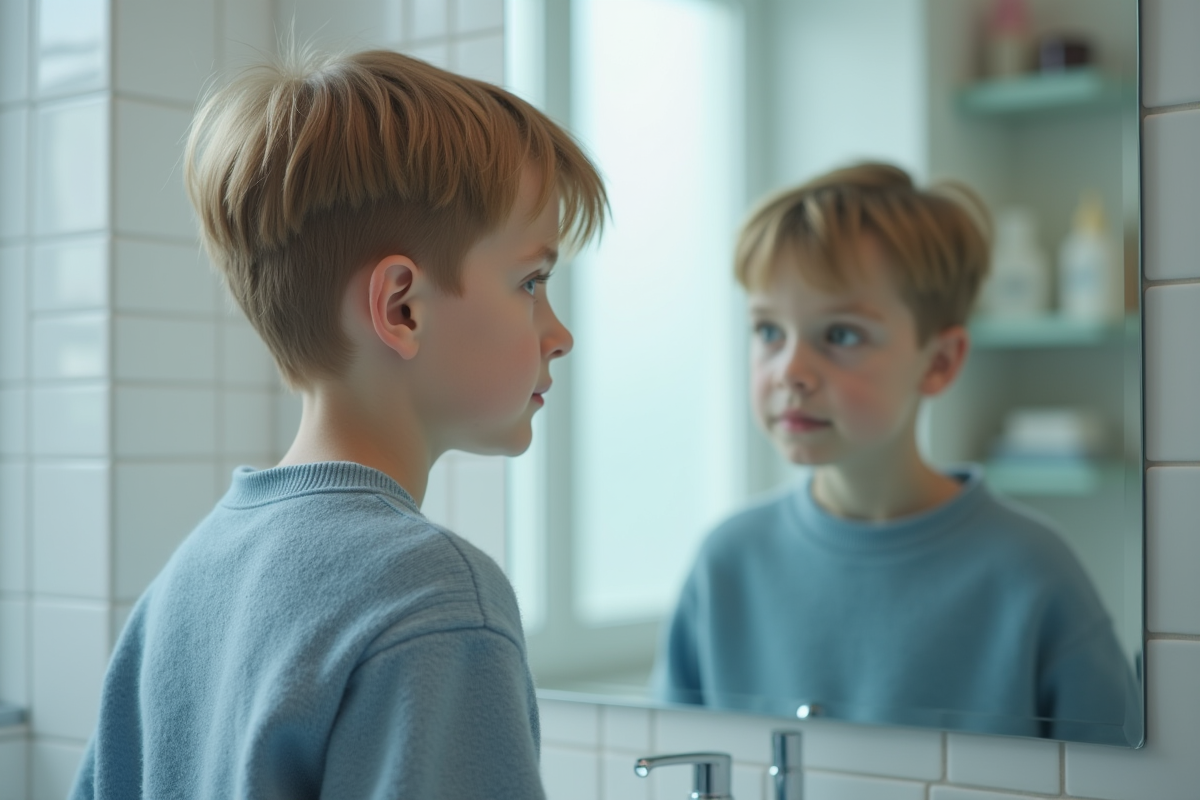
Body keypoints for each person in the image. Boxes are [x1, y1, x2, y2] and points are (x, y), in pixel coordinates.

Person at [71, 48, 605, 799]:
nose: (559, 333)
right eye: (533, 281)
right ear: (401, 308)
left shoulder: (186, 579)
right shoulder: (435, 600)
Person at [652, 163, 1136, 744]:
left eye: (841, 334)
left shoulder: (1032, 572)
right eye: (768, 331)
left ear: (939, 362)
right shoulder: (728, 562)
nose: (791, 372)